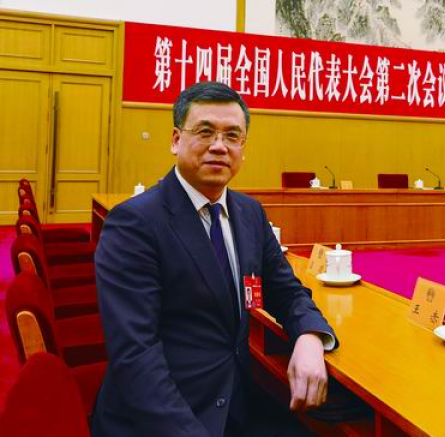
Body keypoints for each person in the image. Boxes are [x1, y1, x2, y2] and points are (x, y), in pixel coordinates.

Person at [91, 81, 338, 437]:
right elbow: (136, 356)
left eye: (232, 136)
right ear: (176, 140)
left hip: (236, 401)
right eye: (205, 132)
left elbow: (287, 291)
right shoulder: (134, 223)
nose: (219, 146)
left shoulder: (249, 213)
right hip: (163, 417)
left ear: (243, 148)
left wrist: (311, 336)